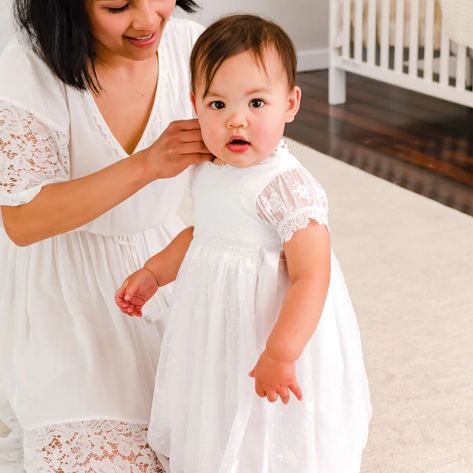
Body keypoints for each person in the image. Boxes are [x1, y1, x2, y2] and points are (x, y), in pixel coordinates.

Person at [115, 14, 372, 473]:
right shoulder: (209, 168)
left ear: (290, 104)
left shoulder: (287, 187)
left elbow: (313, 276)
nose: (236, 119)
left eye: (256, 102)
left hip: (276, 326)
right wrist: (155, 272)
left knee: (273, 411)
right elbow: (202, 234)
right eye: (217, 105)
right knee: (222, 388)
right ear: (194, 104)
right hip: (219, 312)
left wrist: (281, 351)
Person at [0, 0, 211, 471]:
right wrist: (146, 165)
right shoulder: (29, 66)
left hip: (162, 261)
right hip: (62, 280)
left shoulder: (194, 48)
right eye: (117, 6)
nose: (147, 20)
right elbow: (23, 221)